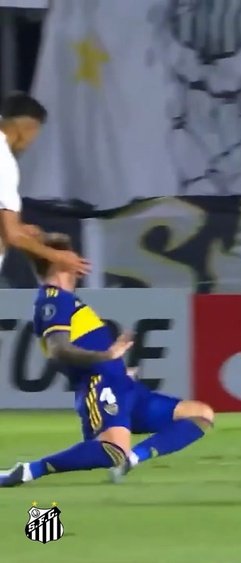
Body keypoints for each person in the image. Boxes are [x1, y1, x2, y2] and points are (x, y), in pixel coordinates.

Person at [0, 233, 214, 487]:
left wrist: (118, 368)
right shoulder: (53, 300)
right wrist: (106, 357)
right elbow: (59, 349)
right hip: (100, 384)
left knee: (201, 415)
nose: (79, 261)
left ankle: (132, 460)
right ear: (58, 261)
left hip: (123, 385)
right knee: (112, 450)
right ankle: (27, 471)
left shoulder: (69, 300)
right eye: (72, 255)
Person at [0, 92, 89, 276]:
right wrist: (57, 256)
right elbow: (12, 235)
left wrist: (23, 230)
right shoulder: (5, 164)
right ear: (29, 128)